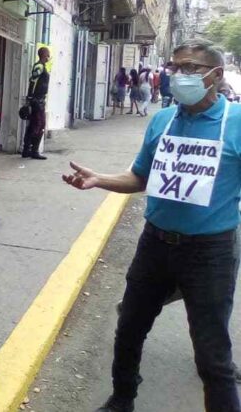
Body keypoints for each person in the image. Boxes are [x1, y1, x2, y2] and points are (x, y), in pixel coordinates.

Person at [63, 39, 241, 412]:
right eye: (176, 67)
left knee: (212, 354)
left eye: (191, 68)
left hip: (211, 252)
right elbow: (140, 178)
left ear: (216, 75)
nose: (180, 76)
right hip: (155, 244)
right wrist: (100, 180)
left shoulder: (236, 124)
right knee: (129, 327)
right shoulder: (162, 120)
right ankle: (122, 398)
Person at [22, 47, 51, 159]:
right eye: (48, 55)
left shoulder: (41, 66)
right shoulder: (39, 66)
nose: (49, 57)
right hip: (37, 101)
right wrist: (30, 98)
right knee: (40, 124)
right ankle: (33, 151)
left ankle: (27, 150)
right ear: (44, 55)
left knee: (34, 124)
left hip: (38, 100)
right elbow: (32, 82)